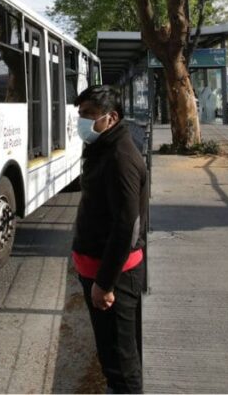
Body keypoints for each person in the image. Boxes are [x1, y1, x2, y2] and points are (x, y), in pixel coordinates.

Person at [72, 85, 149, 394]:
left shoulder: (120, 157)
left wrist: (104, 283)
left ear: (112, 118)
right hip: (99, 271)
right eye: (80, 115)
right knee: (113, 354)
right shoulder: (104, 147)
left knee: (120, 361)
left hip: (114, 277)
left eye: (89, 115)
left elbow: (126, 226)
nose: (82, 122)